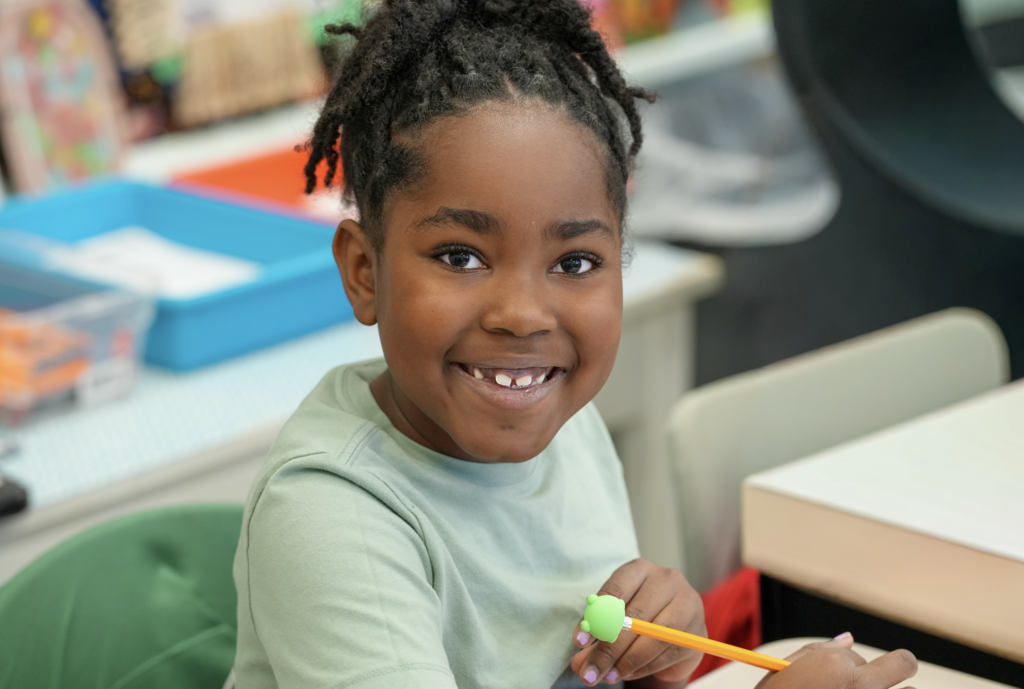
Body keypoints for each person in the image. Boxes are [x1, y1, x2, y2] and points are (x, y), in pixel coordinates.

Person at [231, 2, 918, 688]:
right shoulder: (332, 514)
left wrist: (654, 655)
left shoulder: (564, 427)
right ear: (363, 271)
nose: (523, 316)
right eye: (461, 256)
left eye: (576, 262)